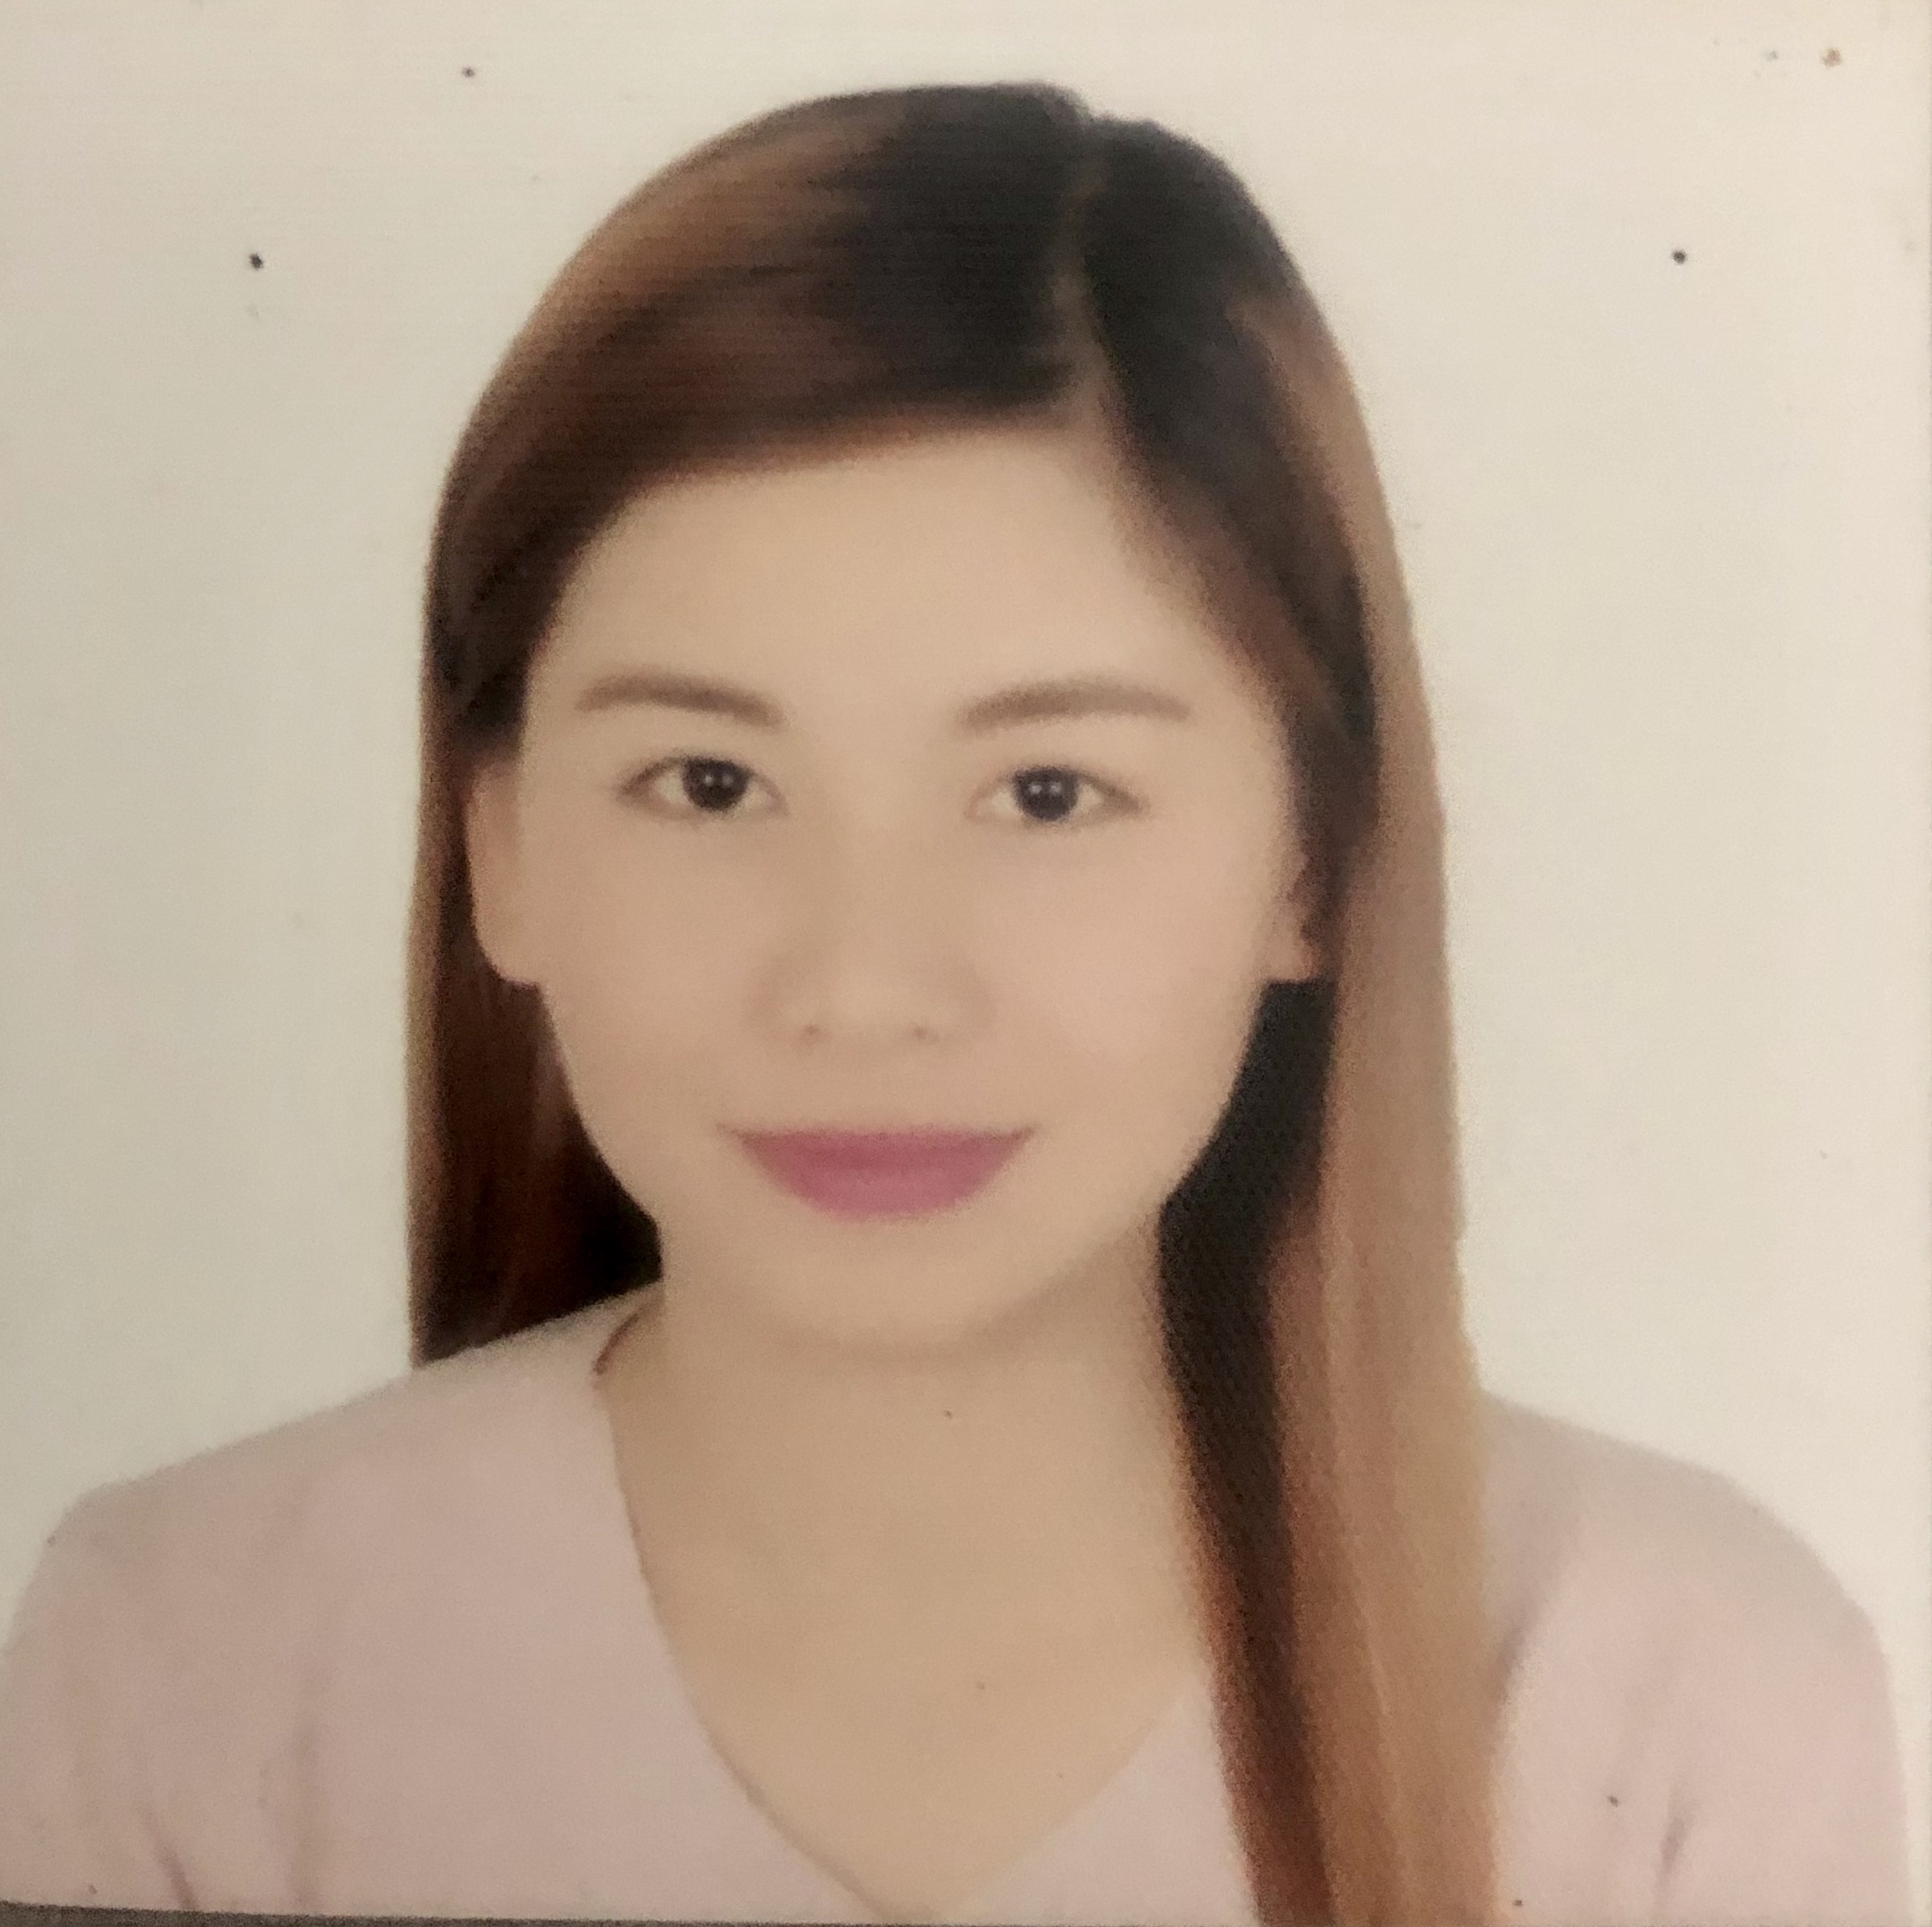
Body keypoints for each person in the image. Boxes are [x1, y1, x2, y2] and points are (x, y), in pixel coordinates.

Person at [0, 82, 1911, 1927]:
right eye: (710, 783)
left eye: (1047, 793)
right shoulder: (189, 1662)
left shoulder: (1669, 1697)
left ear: (1314, 862)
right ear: (497, 843)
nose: (862, 988)